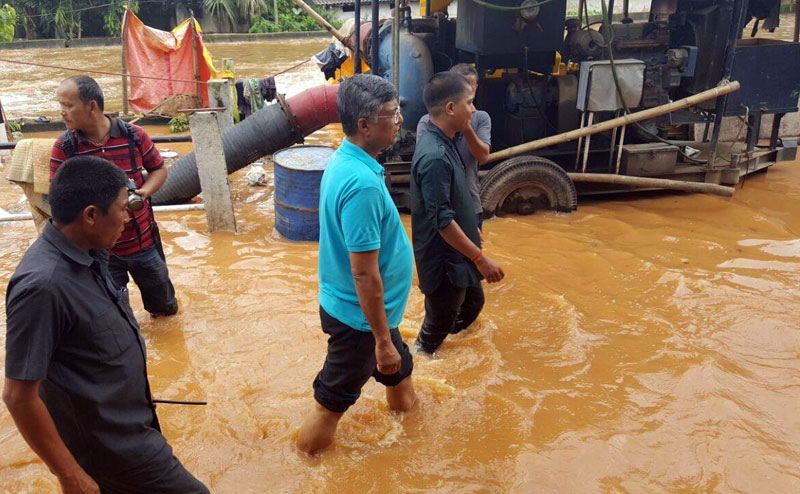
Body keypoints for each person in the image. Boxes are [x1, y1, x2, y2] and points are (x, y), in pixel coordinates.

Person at [3, 156, 208, 494]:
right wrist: (69, 475)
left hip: (129, 420)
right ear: (91, 215)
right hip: (109, 446)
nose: (128, 217)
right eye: (121, 208)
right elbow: (18, 396)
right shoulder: (43, 287)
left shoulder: (91, 252)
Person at [297, 74, 417, 455]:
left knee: (400, 372)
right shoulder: (361, 183)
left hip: (372, 314)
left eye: (398, 112)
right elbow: (364, 273)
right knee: (331, 401)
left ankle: (413, 437)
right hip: (361, 320)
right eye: (390, 115)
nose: (398, 121)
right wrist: (381, 341)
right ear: (364, 125)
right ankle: (305, 460)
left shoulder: (347, 157)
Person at [50, 75, 178, 317]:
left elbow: (158, 169)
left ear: (91, 106)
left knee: (166, 311)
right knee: (115, 316)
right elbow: (57, 198)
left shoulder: (134, 136)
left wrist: (144, 192)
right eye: (61, 106)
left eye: (68, 106)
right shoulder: (65, 147)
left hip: (144, 242)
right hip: (100, 252)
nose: (62, 113)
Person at [410, 72, 506, 356]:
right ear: (451, 108)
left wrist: (472, 229)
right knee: (436, 326)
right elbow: (441, 221)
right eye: (470, 102)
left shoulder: (447, 141)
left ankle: (451, 351)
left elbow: (453, 197)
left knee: (473, 303)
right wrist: (481, 259)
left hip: (459, 251)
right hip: (444, 260)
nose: (474, 109)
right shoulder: (435, 156)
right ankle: (422, 362)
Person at [416, 63, 491, 228]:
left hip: (470, 204)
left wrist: (466, 125)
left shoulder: (481, 118)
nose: (467, 93)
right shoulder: (427, 125)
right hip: (442, 204)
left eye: (470, 88)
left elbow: (483, 156)